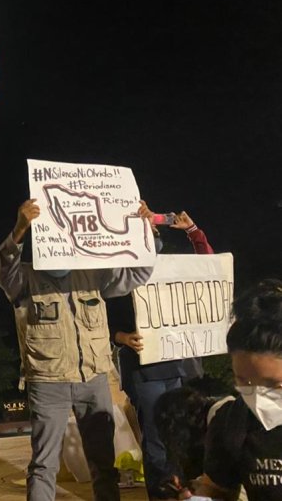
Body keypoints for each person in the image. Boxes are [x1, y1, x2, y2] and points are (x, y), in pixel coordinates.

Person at [0, 198, 154, 501]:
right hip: (47, 383)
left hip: (94, 380)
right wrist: (20, 228)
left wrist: (147, 234)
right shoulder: (25, 278)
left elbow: (136, 275)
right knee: (44, 464)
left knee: (104, 464)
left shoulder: (92, 274)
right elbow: (4, 268)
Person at [107, 209, 213, 498]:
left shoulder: (171, 269)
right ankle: (162, 495)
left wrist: (193, 231)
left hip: (181, 369)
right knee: (156, 441)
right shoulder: (120, 277)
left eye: (153, 232)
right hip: (146, 372)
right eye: (146, 234)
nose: (153, 239)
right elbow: (104, 322)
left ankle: (183, 492)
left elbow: (211, 272)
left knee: (181, 438)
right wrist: (123, 338)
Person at [179, 280, 282, 501]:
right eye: (243, 381)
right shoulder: (232, 423)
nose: (258, 397)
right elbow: (219, 489)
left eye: (273, 383)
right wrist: (201, 496)